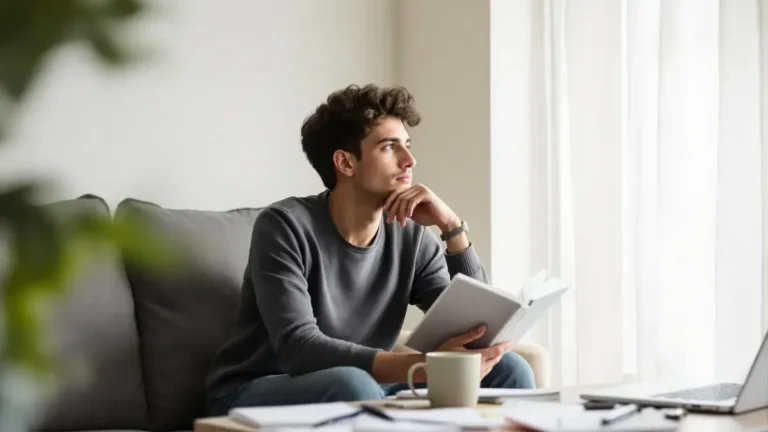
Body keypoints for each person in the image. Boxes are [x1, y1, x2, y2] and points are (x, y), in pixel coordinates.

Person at [204, 84, 535, 415]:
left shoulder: (413, 238)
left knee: (512, 370)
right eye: (390, 147)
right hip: (259, 387)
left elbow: (480, 330)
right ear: (346, 163)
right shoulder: (284, 226)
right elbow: (299, 348)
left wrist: (451, 227)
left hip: (366, 383)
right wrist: (423, 365)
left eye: (407, 145)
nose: (410, 160)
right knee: (354, 385)